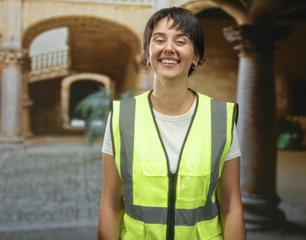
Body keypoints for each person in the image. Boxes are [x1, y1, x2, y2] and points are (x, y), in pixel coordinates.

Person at [97, 7, 246, 240]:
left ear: (196, 55)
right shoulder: (121, 117)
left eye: (181, 40)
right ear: (147, 54)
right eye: (159, 40)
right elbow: (110, 205)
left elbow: (231, 207)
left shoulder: (221, 118)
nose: (169, 48)